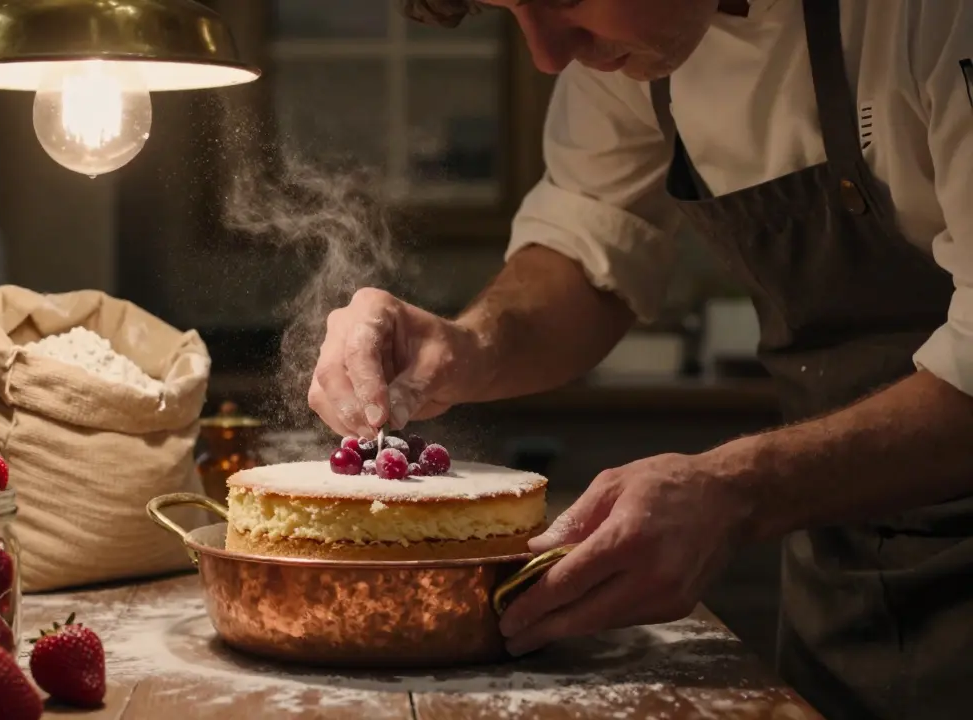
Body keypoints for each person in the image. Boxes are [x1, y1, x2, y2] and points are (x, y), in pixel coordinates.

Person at [307, 1, 973, 718]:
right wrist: (470, 345)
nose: (547, 55)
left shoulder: (933, 17)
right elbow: (590, 243)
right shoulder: (629, 50)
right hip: (843, 554)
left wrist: (737, 487)